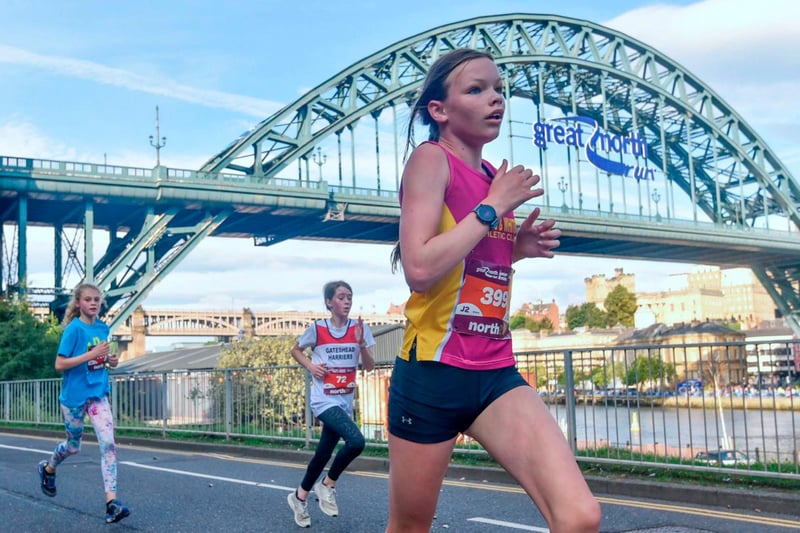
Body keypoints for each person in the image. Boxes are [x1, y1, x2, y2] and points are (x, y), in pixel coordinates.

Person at [386, 48, 602, 533]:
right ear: (439, 110)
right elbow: (419, 269)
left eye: (500, 90)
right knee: (409, 528)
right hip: (433, 373)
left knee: (579, 516)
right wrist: (491, 210)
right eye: (477, 89)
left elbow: (469, 263)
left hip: (494, 370)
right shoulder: (430, 160)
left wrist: (515, 245)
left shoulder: (489, 178)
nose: (496, 99)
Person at [37, 282, 130, 524]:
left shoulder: (103, 328)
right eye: (88, 299)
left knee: (108, 444)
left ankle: (112, 503)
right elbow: (59, 365)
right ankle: (48, 468)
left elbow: (102, 360)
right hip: (74, 397)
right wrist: (92, 354)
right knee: (73, 446)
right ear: (78, 303)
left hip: (98, 394)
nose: (93, 303)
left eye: (97, 300)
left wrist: (111, 360)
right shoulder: (73, 330)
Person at [286, 280, 376, 528]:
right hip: (323, 400)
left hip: (344, 401)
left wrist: (361, 344)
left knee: (323, 453)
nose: (347, 301)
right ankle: (328, 484)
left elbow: (369, 367)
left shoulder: (360, 329)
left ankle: (299, 497)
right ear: (329, 302)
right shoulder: (318, 329)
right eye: (341, 297)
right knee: (357, 441)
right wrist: (311, 366)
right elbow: (295, 350)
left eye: (350, 297)